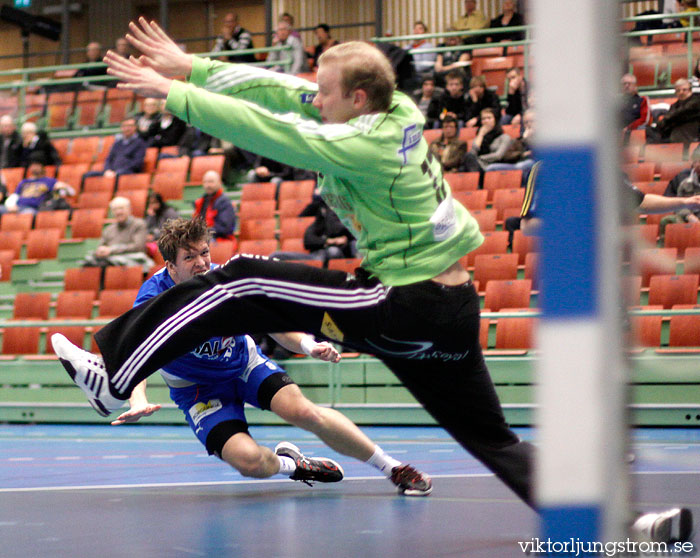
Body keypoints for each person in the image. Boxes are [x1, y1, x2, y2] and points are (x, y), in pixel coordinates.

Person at [54, 18, 693, 542]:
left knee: (241, 278)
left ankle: (114, 375)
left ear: (357, 98)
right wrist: (192, 66)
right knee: (493, 441)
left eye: (326, 92)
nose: (315, 97)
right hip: (450, 312)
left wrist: (176, 94)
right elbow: (282, 90)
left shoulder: (361, 146)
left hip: (401, 301)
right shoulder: (393, 108)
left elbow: (270, 125)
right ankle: (625, 527)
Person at [101, 216, 430, 494]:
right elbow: (138, 357)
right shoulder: (152, 301)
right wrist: (137, 400)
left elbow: (272, 323)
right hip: (198, 390)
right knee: (250, 462)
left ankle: (394, 469)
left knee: (305, 412)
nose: (202, 263)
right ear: (170, 265)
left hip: (245, 365)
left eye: (204, 253)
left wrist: (306, 345)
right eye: (190, 258)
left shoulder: (224, 281)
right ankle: (293, 464)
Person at [272, 194, 357, 264]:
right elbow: (308, 240)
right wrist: (330, 241)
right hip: (315, 256)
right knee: (276, 255)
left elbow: (337, 229)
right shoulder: (321, 221)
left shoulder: (348, 223)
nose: (331, 211)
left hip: (335, 257)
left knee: (333, 251)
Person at [80, 196, 153, 272]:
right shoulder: (109, 229)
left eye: (121, 208)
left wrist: (112, 250)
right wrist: (100, 251)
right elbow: (102, 246)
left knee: (103, 265)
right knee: (88, 264)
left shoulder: (139, 224)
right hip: (108, 261)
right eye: (115, 209)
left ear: (129, 209)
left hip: (132, 261)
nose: (118, 212)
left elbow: (138, 247)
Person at [0, 154, 74, 215]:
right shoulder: (24, 182)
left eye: (37, 165)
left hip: (33, 209)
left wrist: (64, 187)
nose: (34, 168)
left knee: (26, 214)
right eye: (32, 165)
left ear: (42, 167)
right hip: (17, 206)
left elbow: (71, 192)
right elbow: (15, 196)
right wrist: (11, 206)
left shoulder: (50, 181)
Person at [461, 107, 513, 172]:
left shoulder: (504, 137)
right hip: (477, 165)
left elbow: (498, 155)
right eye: (483, 119)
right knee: (462, 168)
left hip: (492, 165)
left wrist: (479, 158)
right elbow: (472, 153)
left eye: (489, 118)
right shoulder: (479, 136)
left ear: (495, 120)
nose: (486, 121)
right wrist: (481, 135)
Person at [193, 170, 236, 241]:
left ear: (219, 183)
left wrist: (205, 231)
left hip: (219, 239)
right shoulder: (202, 202)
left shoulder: (224, 202)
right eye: (205, 182)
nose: (208, 185)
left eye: (211, 182)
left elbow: (225, 228)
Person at [655, 78, 700, 144]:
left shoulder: (696, 101)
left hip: (693, 135)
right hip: (676, 138)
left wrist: (669, 118)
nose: (681, 92)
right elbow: (664, 123)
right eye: (678, 90)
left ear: (690, 90)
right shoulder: (674, 106)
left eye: (684, 90)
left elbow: (683, 113)